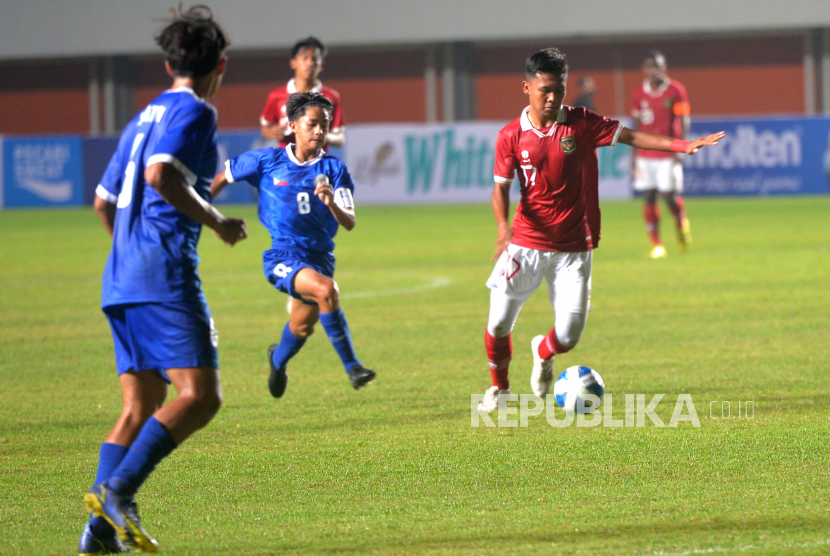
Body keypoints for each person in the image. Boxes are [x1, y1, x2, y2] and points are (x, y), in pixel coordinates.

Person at [81, 7, 247, 554]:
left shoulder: (141, 116)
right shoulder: (197, 112)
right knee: (201, 396)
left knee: (139, 406)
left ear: (168, 61)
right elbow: (160, 175)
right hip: (162, 275)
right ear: (218, 66)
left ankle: (97, 537)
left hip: (121, 276)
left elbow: (104, 202)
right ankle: (118, 492)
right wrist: (218, 221)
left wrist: (131, 255)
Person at [478, 47, 723, 412]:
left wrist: (682, 145)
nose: (552, 97)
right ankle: (500, 388)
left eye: (558, 89)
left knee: (568, 336)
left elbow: (631, 136)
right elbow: (500, 187)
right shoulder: (510, 136)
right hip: (526, 244)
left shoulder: (581, 123)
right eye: (544, 89)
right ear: (526, 88)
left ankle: (543, 352)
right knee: (498, 324)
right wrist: (502, 229)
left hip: (575, 248)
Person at [211, 91, 375, 398]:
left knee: (302, 327)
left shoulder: (334, 170)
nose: (319, 131)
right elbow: (221, 178)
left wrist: (331, 204)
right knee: (327, 291)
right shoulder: (266, 161)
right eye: (312, 123)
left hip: (320, 258)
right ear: (293, 126)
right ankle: (353, 367)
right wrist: (207, 217)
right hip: (282, 255)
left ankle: (277, 360)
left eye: (324, 124)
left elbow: (349, 221)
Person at [631, 50, 692, 259]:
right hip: (644, 155)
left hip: (668, 152)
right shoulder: (638, 94)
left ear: (664, 67)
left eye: (658, 65)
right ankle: (657, 244)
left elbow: (684, 120)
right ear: (644, 70)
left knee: (669, 197)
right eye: (650, 66)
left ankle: (680, 220)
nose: (654, 70)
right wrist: (633, 156)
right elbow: (636, 125)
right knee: (649, 197)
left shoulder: (676, 90)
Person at [260, 37, 346, 149]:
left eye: (314, 59)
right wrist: (274, 133)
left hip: (317, 163)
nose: (310, 63)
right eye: (304, 58)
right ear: (293, 63)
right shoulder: (277, 96)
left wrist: (322, 135)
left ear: (322, 65)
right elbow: (265, 128)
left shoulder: (330, 97)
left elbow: (340, 138)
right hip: (286, 163)